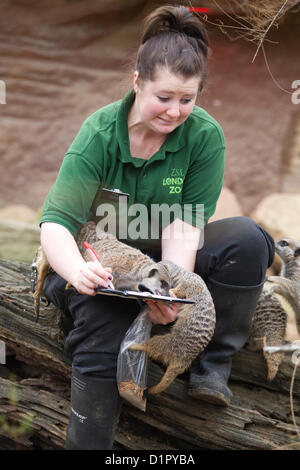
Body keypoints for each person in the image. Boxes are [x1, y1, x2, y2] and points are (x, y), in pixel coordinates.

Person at [39, 5, 274, 450]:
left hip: (160, 262)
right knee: (104, 323)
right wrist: (76, 272)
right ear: (136, 83)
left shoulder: (204, 136)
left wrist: (166, 292)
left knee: (246, 238)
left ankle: (212, 364)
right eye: (163, 98)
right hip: (100, 261)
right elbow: (56, 224)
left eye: (188, 99)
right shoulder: (100, 133)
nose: (174, 111)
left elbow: (185, 229)